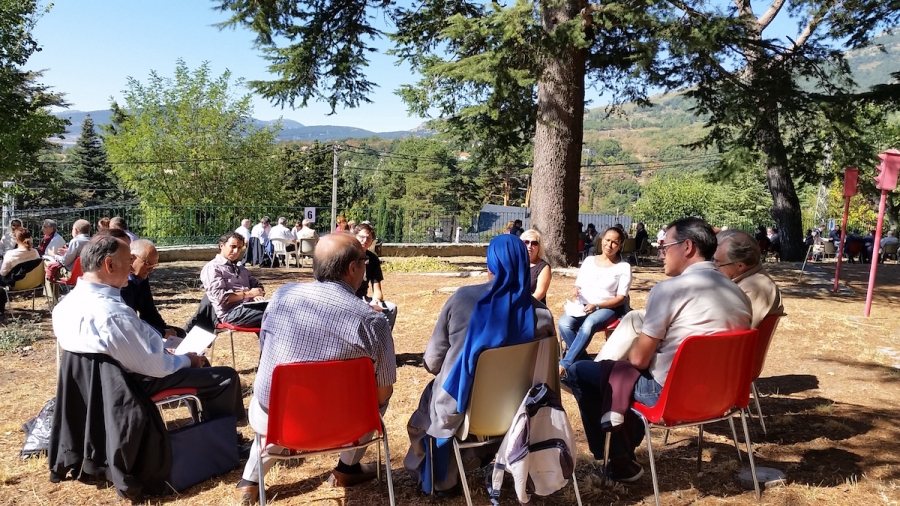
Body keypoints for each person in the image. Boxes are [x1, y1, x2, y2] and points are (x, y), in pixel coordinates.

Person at [567, 217, 751, 483]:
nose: (659, 252)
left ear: (687, 247)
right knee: (620, 376)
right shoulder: (738, 293)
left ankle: (617, 460)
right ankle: (621, 447)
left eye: (665, 245)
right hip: (724, 397)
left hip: (671, 397)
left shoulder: (669, 290)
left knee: (580, 371)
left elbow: (640, 360)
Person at [234, 232, 396, 504]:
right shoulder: (373, 321)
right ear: (353, 268)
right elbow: (382, 394)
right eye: (364, 261)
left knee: (276, 396)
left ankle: (249, 482)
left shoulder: (282, 296)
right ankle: (347, 468)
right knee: (379, 398)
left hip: (278, 418)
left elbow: (266, 348)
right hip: (349, 424)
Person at [404, 234, 556, 495]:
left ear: (490, 264)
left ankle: (441, 480)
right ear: (524, 264)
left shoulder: (463, 299)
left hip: (459, 405)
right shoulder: (541, 314)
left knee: (432, 403)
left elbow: (432, 361)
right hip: (519, 410)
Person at [53, 234, 246, 423]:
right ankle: (225, 438)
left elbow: (134, 337)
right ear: (110, 265)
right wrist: (184, 359)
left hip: (100, 386)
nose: (130, 266)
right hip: (132, 384)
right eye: (128, 260)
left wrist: (163, 348)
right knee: (225, 376)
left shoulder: (63, 307)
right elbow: (156, 367)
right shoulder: (115, 314)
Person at [557, 227, 631, 374]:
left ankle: (565, 364)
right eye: (607, 240)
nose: (609, 245)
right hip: (582, 305)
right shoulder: (589, 261)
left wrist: (597, 305)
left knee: (588, 324)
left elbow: (621, 298)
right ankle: (584, 362)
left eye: (614, 242)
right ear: (601, 239)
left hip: (607, 308)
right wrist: (575, 289)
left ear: (620, 245)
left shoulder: (623, 267)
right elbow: (579, 283)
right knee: (563, 323)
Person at [714, 230, 785, 329]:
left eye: (718, 262)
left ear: (740, 266)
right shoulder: (752, 280)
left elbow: (731, 332)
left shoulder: (752, 288)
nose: (714, 267)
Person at [200, 232, 268, 329]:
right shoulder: (213, 268)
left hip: (249, 307)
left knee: (279, 309)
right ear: (221, 246)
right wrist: (249, 294)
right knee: (273, 313)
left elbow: (258, 286)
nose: (236, 251)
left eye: (240, 248)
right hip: (231, 313)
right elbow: (222, 299)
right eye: (233, 246)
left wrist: (256, 295)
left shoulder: (240, 268)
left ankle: (271, 343)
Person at [121, 239, 186, 338]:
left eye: (154, 266)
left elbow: (149, 311)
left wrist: (165, 329)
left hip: (140, 327)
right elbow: (129, 322)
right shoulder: (119, 282)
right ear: (132, 258)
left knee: (180, 334)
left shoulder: (141, 278)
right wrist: (162, 333)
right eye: (148, 264)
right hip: (127, 331)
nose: (151, 270)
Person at [354, 223, 398, 329]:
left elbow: (377, 289)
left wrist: (376, 300)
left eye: (369, 238)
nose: (365, 240)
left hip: (363, 299)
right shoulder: (347, 255)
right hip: (348, 298)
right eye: (362, 237)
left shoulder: (372, 259)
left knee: (391, 308)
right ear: (354, 236)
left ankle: (381, 342)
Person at [521, 229, 551, 304]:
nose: (530, 246)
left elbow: (540, 293)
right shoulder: (514, 263)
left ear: (539, 247)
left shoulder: (544, 267)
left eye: (534, 243)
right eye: (526, 242)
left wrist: (521, 306)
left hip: (532, 308)